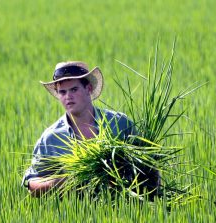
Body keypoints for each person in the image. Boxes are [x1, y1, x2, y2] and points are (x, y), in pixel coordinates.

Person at [22, 61, 136, 196]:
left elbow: (149, 165)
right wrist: (65, 182)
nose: (68, 97)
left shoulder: (119, 124)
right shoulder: (51, 138)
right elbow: (32, 183)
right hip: (76, 213)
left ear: (88, 88)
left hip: (122, 207)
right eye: (62, 92)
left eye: (74, 90)